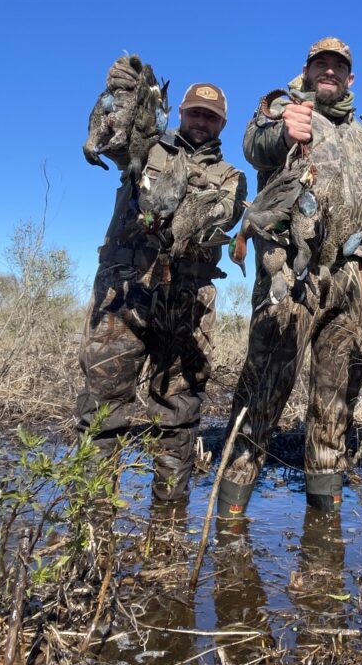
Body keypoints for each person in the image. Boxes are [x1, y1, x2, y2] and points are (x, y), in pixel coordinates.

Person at [217, 38, 362, 518]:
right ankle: (229, 510)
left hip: (356, 282)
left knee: (336, 402)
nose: (330, 71)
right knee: (264, 390)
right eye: (321, 64)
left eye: (339, 66)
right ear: (307, 69)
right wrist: (284, 131)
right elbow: (255, 147)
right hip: (293, 274)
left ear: (351, 77)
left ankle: (324, 515)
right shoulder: (283, 106)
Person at [76, 60, 246, 501]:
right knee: (103, 407)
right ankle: (90, 516)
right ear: (182, 114)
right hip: (123, 295)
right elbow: (112, 139)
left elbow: (225, 215)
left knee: (179, 410)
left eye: (211, 116)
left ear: (222, 123)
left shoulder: (231, 177)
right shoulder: (147, 148)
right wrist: (122, 96)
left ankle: (168, 520)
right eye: (195, 113)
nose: (201, 122)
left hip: (186, 301)